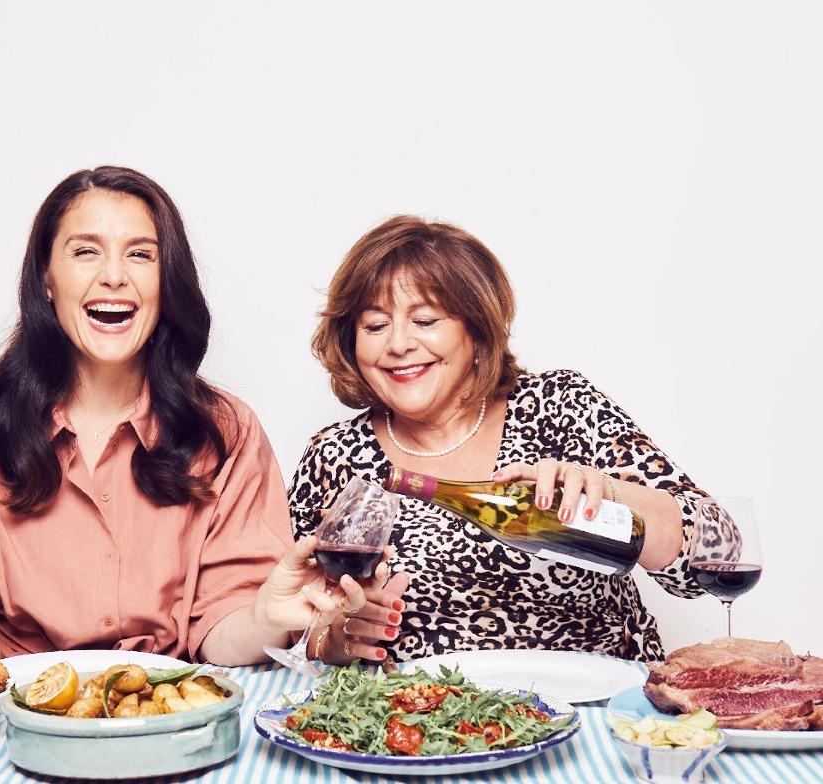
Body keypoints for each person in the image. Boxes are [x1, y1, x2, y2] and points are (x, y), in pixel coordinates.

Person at [0, 166, 324, 690]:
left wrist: (266, 617)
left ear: (166, 280)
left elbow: (222, 622)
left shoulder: (226, 430)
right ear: (46, 277)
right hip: (11, 712)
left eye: (140, 254)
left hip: (162, 708)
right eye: (85, 251)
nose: (114, 275)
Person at [293, 215, 709, 664]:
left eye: (425, 319)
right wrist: (337, 640)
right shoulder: (333, 456)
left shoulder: (559, 407)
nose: (398, 344)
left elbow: (709, 558)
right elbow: (293, 628)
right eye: (374, 326)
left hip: (593, 709)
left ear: (476, 328)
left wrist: (606, 491)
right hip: (417, 720)